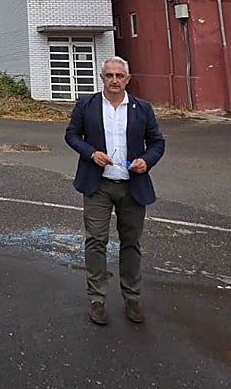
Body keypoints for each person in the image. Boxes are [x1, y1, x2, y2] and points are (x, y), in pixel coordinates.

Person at [64, 55, 165, 325]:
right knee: (96, 241)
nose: (114, 81)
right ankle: (97, 298)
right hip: (98, 184)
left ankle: (132, 298)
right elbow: (72, 135)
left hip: (132, 185)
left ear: (128, 79)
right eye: (109, 75)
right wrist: (91, 153)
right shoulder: (87, 105)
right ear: (101, 78)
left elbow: (157, 142)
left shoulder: (142, 108)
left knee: (131, 243)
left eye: (119, 76)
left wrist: (147, 160)